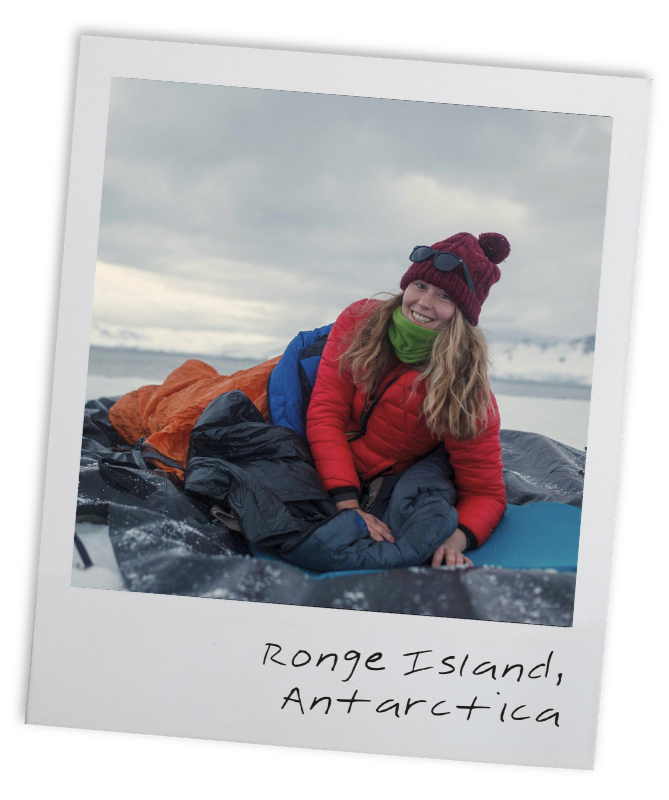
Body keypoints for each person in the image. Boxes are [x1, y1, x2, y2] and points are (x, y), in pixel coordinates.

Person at [305, 231, 510, 568]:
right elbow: (326, 413)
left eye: (444, 295)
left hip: (387, 476)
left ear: (462, 312)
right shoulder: (360, 322)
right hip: (325, 459)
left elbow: (486, 492)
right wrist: (348, 506)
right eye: (420, 286)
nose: (424, 303)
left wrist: (452, 541)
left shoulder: (466, 386)